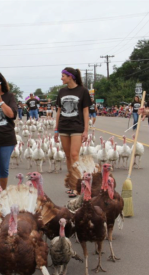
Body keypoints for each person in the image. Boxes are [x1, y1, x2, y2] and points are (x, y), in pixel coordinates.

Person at [54, 67, 91, 198]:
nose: (61, 78)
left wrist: (86, 130)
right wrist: (56, 129)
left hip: (77, 127)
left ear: (70, 77)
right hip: (64, 127)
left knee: (75, 155)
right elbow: (58, 111)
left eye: (63, 76)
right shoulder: (62, 91)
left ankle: (77, 185)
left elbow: (86, 111)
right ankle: (71, 184)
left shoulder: (83, 91)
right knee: (68, 157)